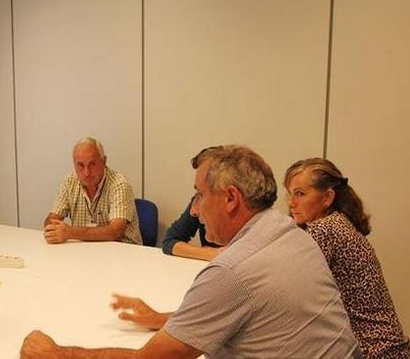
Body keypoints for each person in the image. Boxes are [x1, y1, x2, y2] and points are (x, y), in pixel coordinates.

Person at [21, 145, 359, 358]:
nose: (195, 210)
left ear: (230, 199)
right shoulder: (291, 234)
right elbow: (239, 312)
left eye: (199, 195)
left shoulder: (232, 271)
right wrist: (161, 319)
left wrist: (53, 354)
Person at [284, 158, 410, 358]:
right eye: (289, 194)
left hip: (371, 351)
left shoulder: (325, 229)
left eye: (300, 194)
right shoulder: (338, 222)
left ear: (327, 198)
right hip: (384, 347)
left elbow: (281, 275)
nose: (291, 203)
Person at [43, 137, 141, 245]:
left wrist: (70, 232)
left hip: (124, 252)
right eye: (80, 165)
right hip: (85, 250)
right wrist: (51, 228)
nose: (86, 172)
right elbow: (52, 218)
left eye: (92, 164)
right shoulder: (70, 181)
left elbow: (116, 231)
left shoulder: (119, 184)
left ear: (104, 161)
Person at [161, 195, 223, 260]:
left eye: (201, 194)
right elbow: (169, 241)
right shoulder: (198, 203)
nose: (192, 212)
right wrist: (211, 253)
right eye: (198, 193)